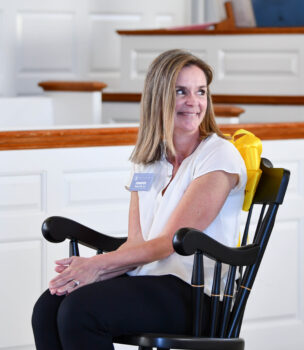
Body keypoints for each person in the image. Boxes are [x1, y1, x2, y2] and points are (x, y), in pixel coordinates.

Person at [32, 49, 247, 350]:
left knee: (82, 311)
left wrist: (99, 264)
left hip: (197, 293)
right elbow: (137, 241)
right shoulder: (148, 160)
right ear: (158, 97)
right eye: (180, 91)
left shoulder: (218, 155)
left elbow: (169, 242)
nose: (193, 102)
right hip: (148, 278)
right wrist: (95, 270)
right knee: (48, 307)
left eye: (201, 92)